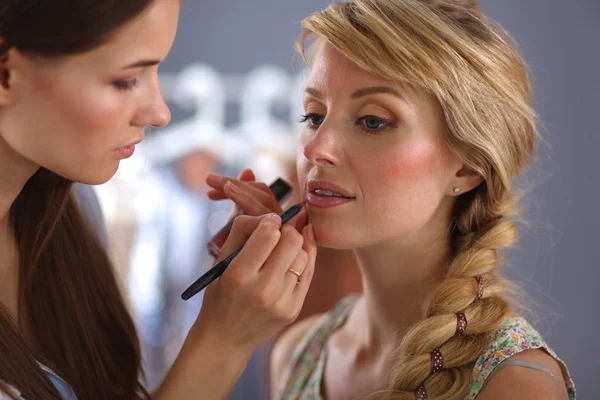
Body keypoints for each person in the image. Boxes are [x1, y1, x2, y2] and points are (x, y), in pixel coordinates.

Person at [204, 0, 576, 399]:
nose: (318, 149)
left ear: (468, 168)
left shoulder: (515, 384)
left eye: (373, 121)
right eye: (314, 116)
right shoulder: (299, 353)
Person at [0, 1, 316, 399]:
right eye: (126, 80)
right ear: (6, 74)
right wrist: (224, 339)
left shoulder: (73, 209)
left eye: (156, 70)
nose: (160, 114)